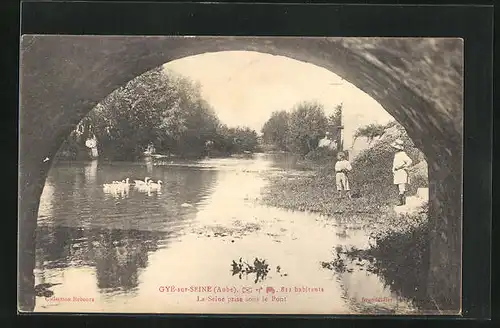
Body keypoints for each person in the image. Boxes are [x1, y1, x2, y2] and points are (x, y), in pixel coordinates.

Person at [391, 139, 413, 206]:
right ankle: (402, 201)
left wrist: (402, 166)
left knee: (402, 187)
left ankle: (401, 202)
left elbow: (409, 161)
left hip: (401, 173)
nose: (394, 149)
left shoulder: (402, 154)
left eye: (395, 148)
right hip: (397, 173)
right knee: (398, 187)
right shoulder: (397, 154)